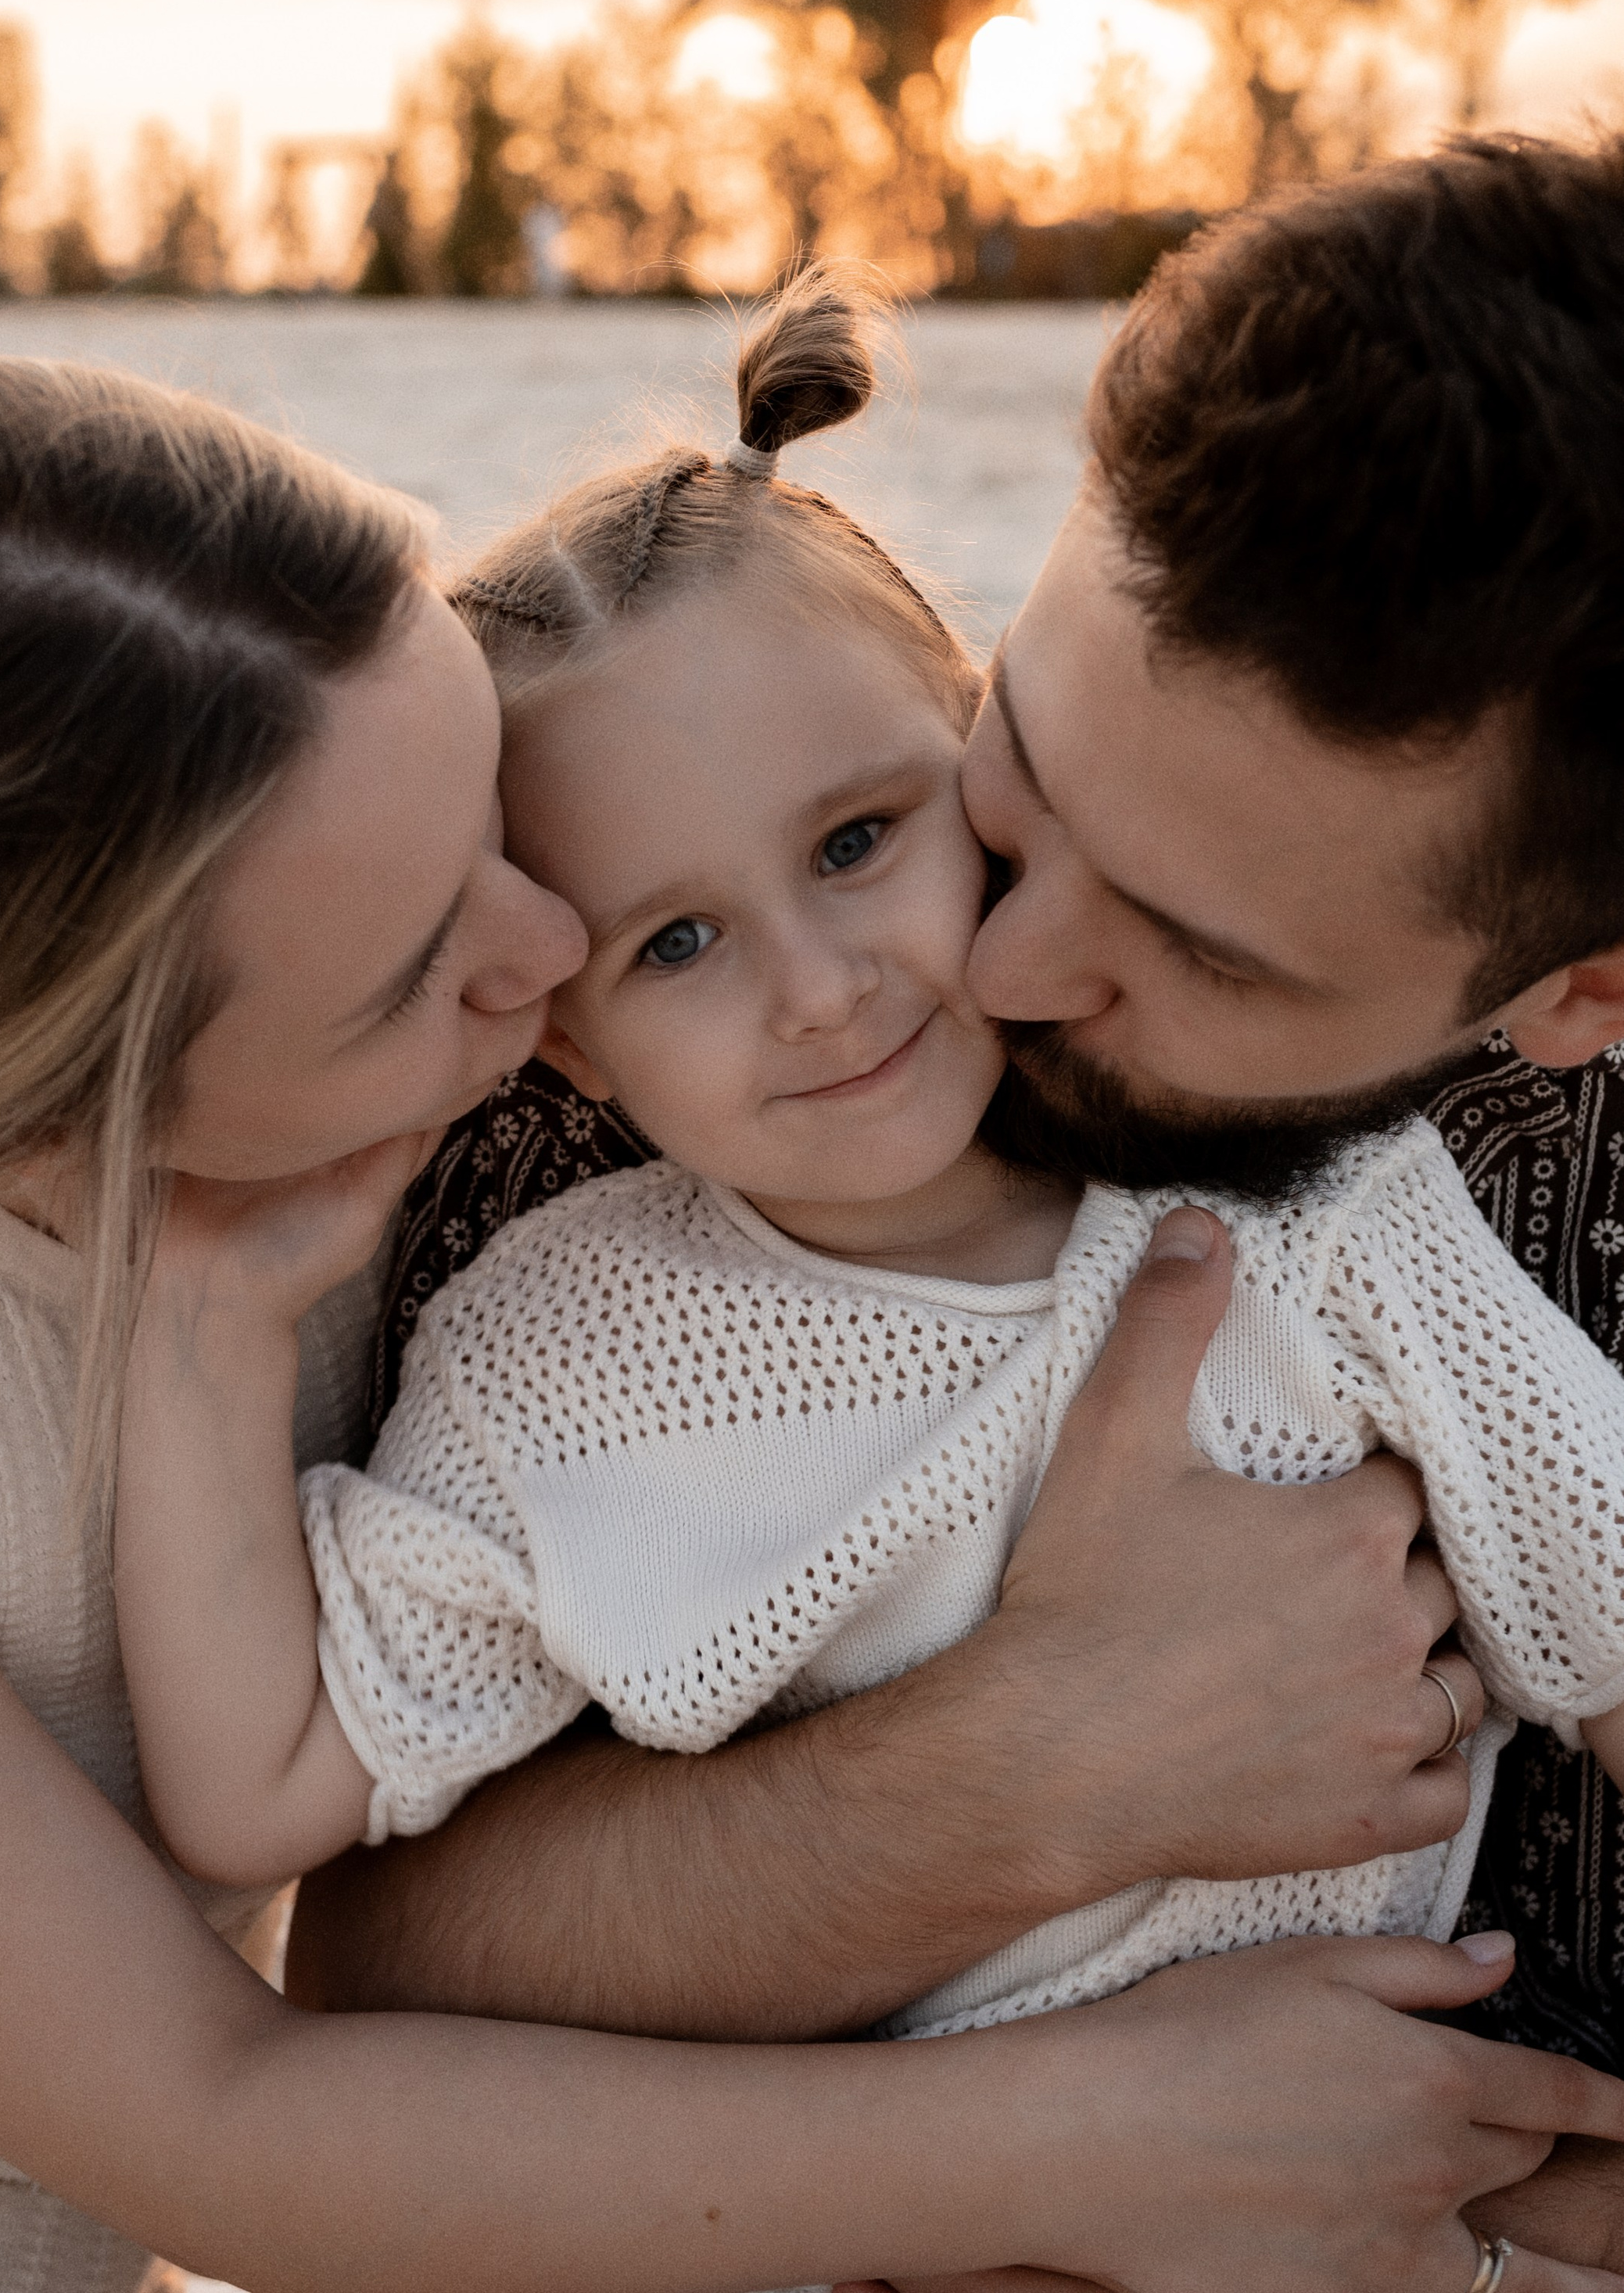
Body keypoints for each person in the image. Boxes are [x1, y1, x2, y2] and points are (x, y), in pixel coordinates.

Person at [0, 348, 1589, 2293]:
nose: (541, 949)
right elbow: (236, 2100)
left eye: (476, 799)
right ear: (96, 1119)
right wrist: (1103, 2120)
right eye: (422, 962)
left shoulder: (1239, 1141)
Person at [287, 129, 1624, 2281]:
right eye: (1022, 781)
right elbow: (366, 1970)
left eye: (1192, 945)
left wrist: (1493, 2176)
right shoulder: (586, 1166)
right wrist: (1036, 1779)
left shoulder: (1402, 1220)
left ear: (1579, 993)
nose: (991, 970)